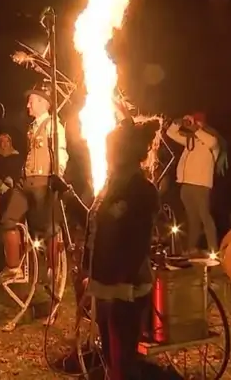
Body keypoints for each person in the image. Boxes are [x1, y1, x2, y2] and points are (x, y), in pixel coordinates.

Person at [85, 118, 161, 380]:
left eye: (110, 149)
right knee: (109, 356)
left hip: (126, 289)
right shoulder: (112, 185)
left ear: (124, 152)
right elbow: (97, 225)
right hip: (106, 285)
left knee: (122, 361)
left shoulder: (142, 189)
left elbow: (138, 242)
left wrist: (122, 282)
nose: (106, 154)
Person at [0, 81, 68, 284]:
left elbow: (61, 153)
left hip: (44, 182)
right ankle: (13, 268)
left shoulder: (54, 125)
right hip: (26, 182)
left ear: (43, 102)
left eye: (31, 101)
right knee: (8, 219)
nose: (28, 106)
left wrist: (57, 175)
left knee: (49, 229)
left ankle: (54, 273)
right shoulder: (32, 128)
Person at [166, 112, 220, 255]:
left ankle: (213, 249)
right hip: (186, 184)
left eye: (197, 122)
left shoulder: (211, 140)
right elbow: (171, 133)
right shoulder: (191, 140)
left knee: (205, 217)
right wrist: (178, 122)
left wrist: (195, 128)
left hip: (201, 185)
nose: (192, 125)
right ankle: (191, 248)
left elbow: (211, 142)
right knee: (192, 218)